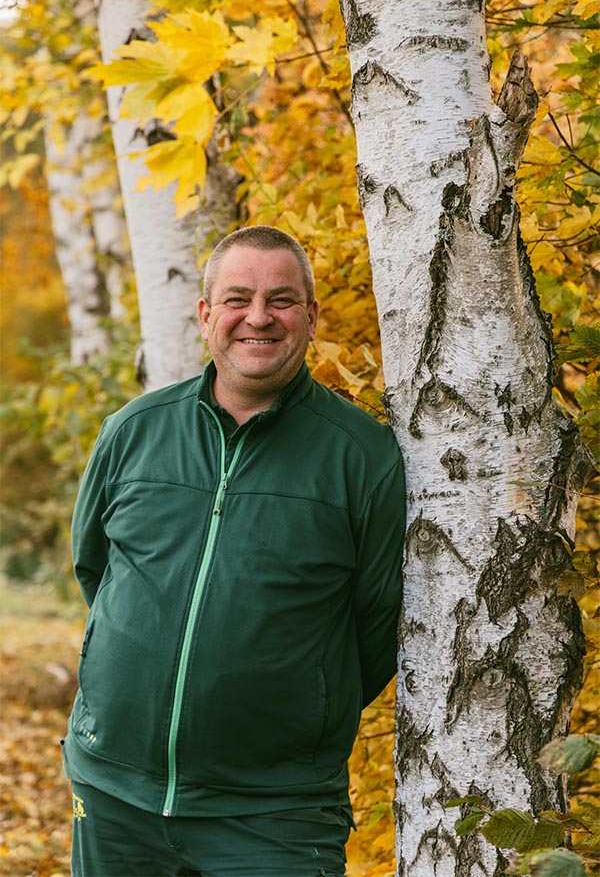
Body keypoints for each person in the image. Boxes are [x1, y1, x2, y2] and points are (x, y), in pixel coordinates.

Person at [62, 226, 406, 877]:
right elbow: (97, 572)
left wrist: (299, 705)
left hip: (275, 812)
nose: (258, 317)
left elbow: (378, 625)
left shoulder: (362, 457)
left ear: (311, 316)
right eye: (237, 298)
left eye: (281, 299)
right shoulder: (132, 432)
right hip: (114, 795)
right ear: (205, 315)